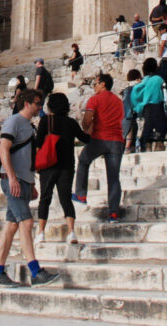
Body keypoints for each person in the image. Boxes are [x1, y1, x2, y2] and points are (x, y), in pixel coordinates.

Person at [0, 90, 60, 288]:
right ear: (27, 104)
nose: (40, 107)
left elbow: (26, 155)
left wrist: (31, 183)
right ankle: (35, 271)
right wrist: (11, 177)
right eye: (38, 103)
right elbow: (3, 149)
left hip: (23, 180)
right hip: (13, 180)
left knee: (11, 226)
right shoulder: (13, 121)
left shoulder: (29, 126)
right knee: (26, 222)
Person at [34, 93, 89, 245]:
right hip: (67, 166)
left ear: (50, 105)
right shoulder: (71, 122)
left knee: (45, 198)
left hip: (48, 165)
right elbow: (85, 138)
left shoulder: (46, 120)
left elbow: (38, 143)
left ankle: (40, 233)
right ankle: (71, 232)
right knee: (66, 199)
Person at [72, 73, 125, 221]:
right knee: (114, 177)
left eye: (95, 83)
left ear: (103, 84)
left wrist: (85, 129)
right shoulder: (119, 101)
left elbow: (87, 119)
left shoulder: (94, 99)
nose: (94, 86)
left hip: (99, 138)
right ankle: (113, 212)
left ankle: (81, 194)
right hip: (117, 140)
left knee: (83, 160)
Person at [134, 58, 167, 151]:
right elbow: (164, 91)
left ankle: (145, 144)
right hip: (158, 104)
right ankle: (159, 143)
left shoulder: (144, 80)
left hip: (147, 107)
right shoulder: (159, 79)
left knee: (148, 126)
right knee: (163, 125)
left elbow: (137, 92)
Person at [121, 69, 142, 153]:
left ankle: (129, 147)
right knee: (130, 130)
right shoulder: (136, 87)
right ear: (137, 79)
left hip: (126, 114)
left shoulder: (126, 89)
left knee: (131, 129)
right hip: (129, 114)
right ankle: (128, 147)